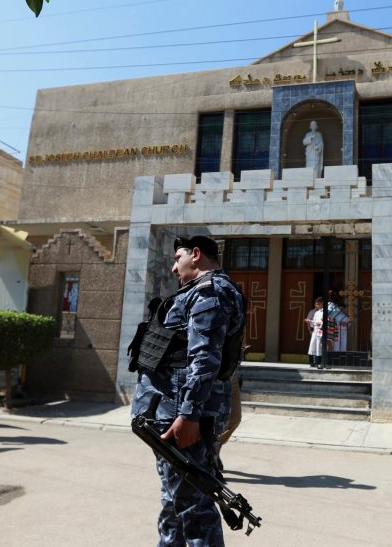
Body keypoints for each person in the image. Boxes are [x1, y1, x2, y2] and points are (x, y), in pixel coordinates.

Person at [131, 234, 245, 547]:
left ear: (196, 254)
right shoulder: (200, 291)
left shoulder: (211, 292)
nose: (172, 268)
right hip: (171, 410)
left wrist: (189, 414)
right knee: (176, 499)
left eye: (177, 258)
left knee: (194, 508)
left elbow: (204, 357)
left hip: (183, 413)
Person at [306, 297, 324, 367]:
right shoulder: (316, 312)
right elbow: (313, 322)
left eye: (318, 304)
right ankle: (312, 362)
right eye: (316, 304)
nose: (317, 305)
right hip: (315, 331)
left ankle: (318, 362)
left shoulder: (325, 312)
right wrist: (311, 324)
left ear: (322, 303)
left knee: (318, 346)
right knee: (312, 345)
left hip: (320, 331)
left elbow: (322, 322)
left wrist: (314, 322)